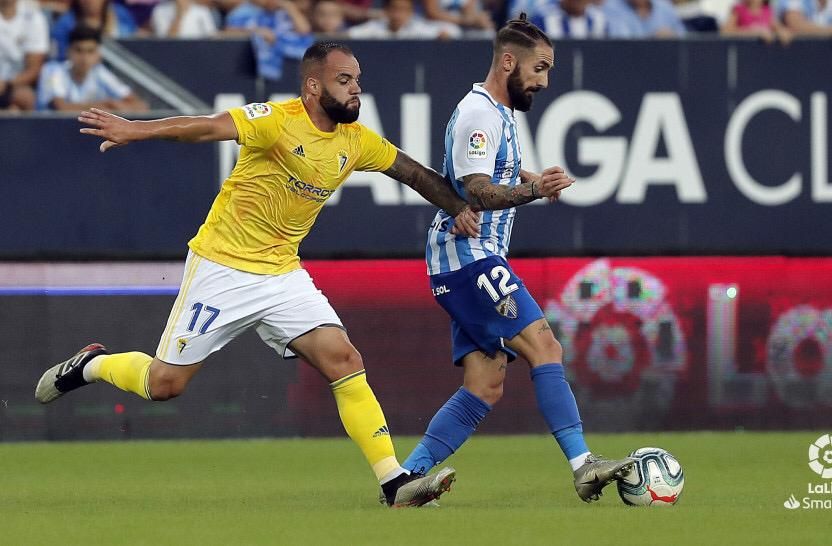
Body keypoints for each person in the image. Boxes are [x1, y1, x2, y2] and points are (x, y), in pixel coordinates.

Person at [35, 41, 479, 509]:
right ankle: (91, 364)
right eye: (344, 81)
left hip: (282, 274)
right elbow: (205, 128)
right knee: (164, 385)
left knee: (344, 360)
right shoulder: (276, 120)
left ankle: (394, 481)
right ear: (312, 86)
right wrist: (137, 130)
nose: (355, 90)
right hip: (222, 267)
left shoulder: (357, 141)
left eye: (357, 81)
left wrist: (459, 208)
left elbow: (413, 172)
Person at [401, 14, 635, 503]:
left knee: (485, 385)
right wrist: (533, 189)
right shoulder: (480, 115)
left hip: (468, 258)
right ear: (508, 61)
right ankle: (583, 465)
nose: (544, 81)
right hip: (470, 259)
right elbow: (480, 192)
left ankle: (404, 481)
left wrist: (531, 178)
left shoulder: (494, 112)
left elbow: (486, 173)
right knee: (545, 346)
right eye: (540, 68)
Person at [37, 25, 148, 112]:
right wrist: (106, 107)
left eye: (90, 51)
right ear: (68, 51)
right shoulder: (53, 70)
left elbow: (140, 107)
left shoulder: (99, 72)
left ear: (98, 55)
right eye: (79, 50)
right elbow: (61, 108)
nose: (84, 58)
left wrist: (119, 107)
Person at [0, 0, 49, 112]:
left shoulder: (33, 18)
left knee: (26, 97)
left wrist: (7, 85)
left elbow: (34, 69)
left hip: (14, 85)